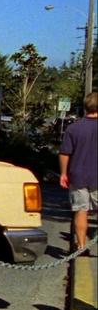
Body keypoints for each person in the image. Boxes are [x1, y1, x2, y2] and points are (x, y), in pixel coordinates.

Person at [59, 92, 98, 255]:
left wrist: (63, 173)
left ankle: (82, 247)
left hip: (78, 174)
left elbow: (64, 153)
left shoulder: (73, 128)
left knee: (81, 210)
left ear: (85, 107)